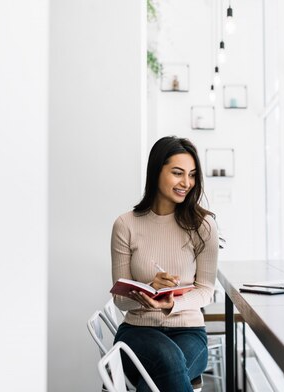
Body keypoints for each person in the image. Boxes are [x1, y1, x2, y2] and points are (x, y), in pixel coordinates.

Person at [110, 136, 219, 392]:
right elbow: (120, 300)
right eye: (178, 173)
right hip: (137, 332)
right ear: (156, 171)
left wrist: (173, 304)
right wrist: (148, 287)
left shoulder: (203, 226)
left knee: (158, 377)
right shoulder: (125, 225)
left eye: (192, 175)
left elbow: (206, 290)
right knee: (167, 360)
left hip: (190, 332)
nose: (187, 183)